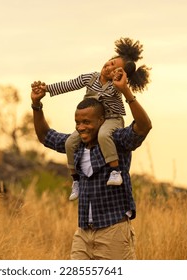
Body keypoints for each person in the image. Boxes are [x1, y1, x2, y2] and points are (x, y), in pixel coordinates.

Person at [30, 68, 152, 259]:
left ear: (102, 120)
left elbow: (144, 126)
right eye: (77, 122)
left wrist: (127, 93)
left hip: (114, 232)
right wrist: (36, 105)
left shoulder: (117, 141)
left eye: (87, 122)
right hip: (83, 233)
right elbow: (45, 136)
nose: (81, 127)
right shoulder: (76, 145)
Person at [32, 38, 150, 201]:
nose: (109, 67)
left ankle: (115, 171)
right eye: (110, 63)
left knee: (103, 136)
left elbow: (144, 126)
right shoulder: (91, 78)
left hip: (111, 120)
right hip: (85, 225)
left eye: (115, 68)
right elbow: (70, 85)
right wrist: (43, 94)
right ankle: (76, 180)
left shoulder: (115, 89)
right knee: (68, 143)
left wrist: (124, 88)